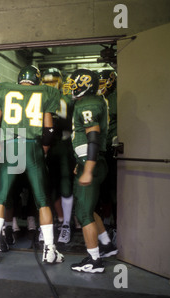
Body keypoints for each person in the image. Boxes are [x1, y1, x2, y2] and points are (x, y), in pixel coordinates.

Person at [0, 65, 64, 264]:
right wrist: (42, 152)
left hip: (10, 144)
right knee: (42, 200)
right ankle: (49, 249)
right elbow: (49, 131)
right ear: (36, 79)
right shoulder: (46, 92)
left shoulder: (2, 89)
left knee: (0, 198)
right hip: (32, 146)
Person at [63, 69, 117, 273]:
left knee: (83, 212)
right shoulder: (92, 101)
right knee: (88, 207)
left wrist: (88, 168)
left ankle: (94, 261)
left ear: (84, 84)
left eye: (74, 83)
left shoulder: (88, 104)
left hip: (91, 162)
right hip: (89, 160)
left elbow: (93, 137)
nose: (71, 87)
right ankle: (106, 244)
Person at [41, 68, 75, 244]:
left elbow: (70, 127)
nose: (50, 85)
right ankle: (50, 223)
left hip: (62, 146)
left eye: (53, 81)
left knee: (65, 186)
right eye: (46, 82)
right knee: (45, 188)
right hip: (44, 146)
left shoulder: (67, 100)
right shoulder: (38, 99)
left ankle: (67, 224)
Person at [97, 69, 118, 232]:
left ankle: (117, 223)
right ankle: (105, 218)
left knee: (114, 187)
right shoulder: (97, 99)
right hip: (101, 147)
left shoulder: (115, 98)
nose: (100, 87)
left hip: (114, 148)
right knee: (102, 187)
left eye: (103, 83)